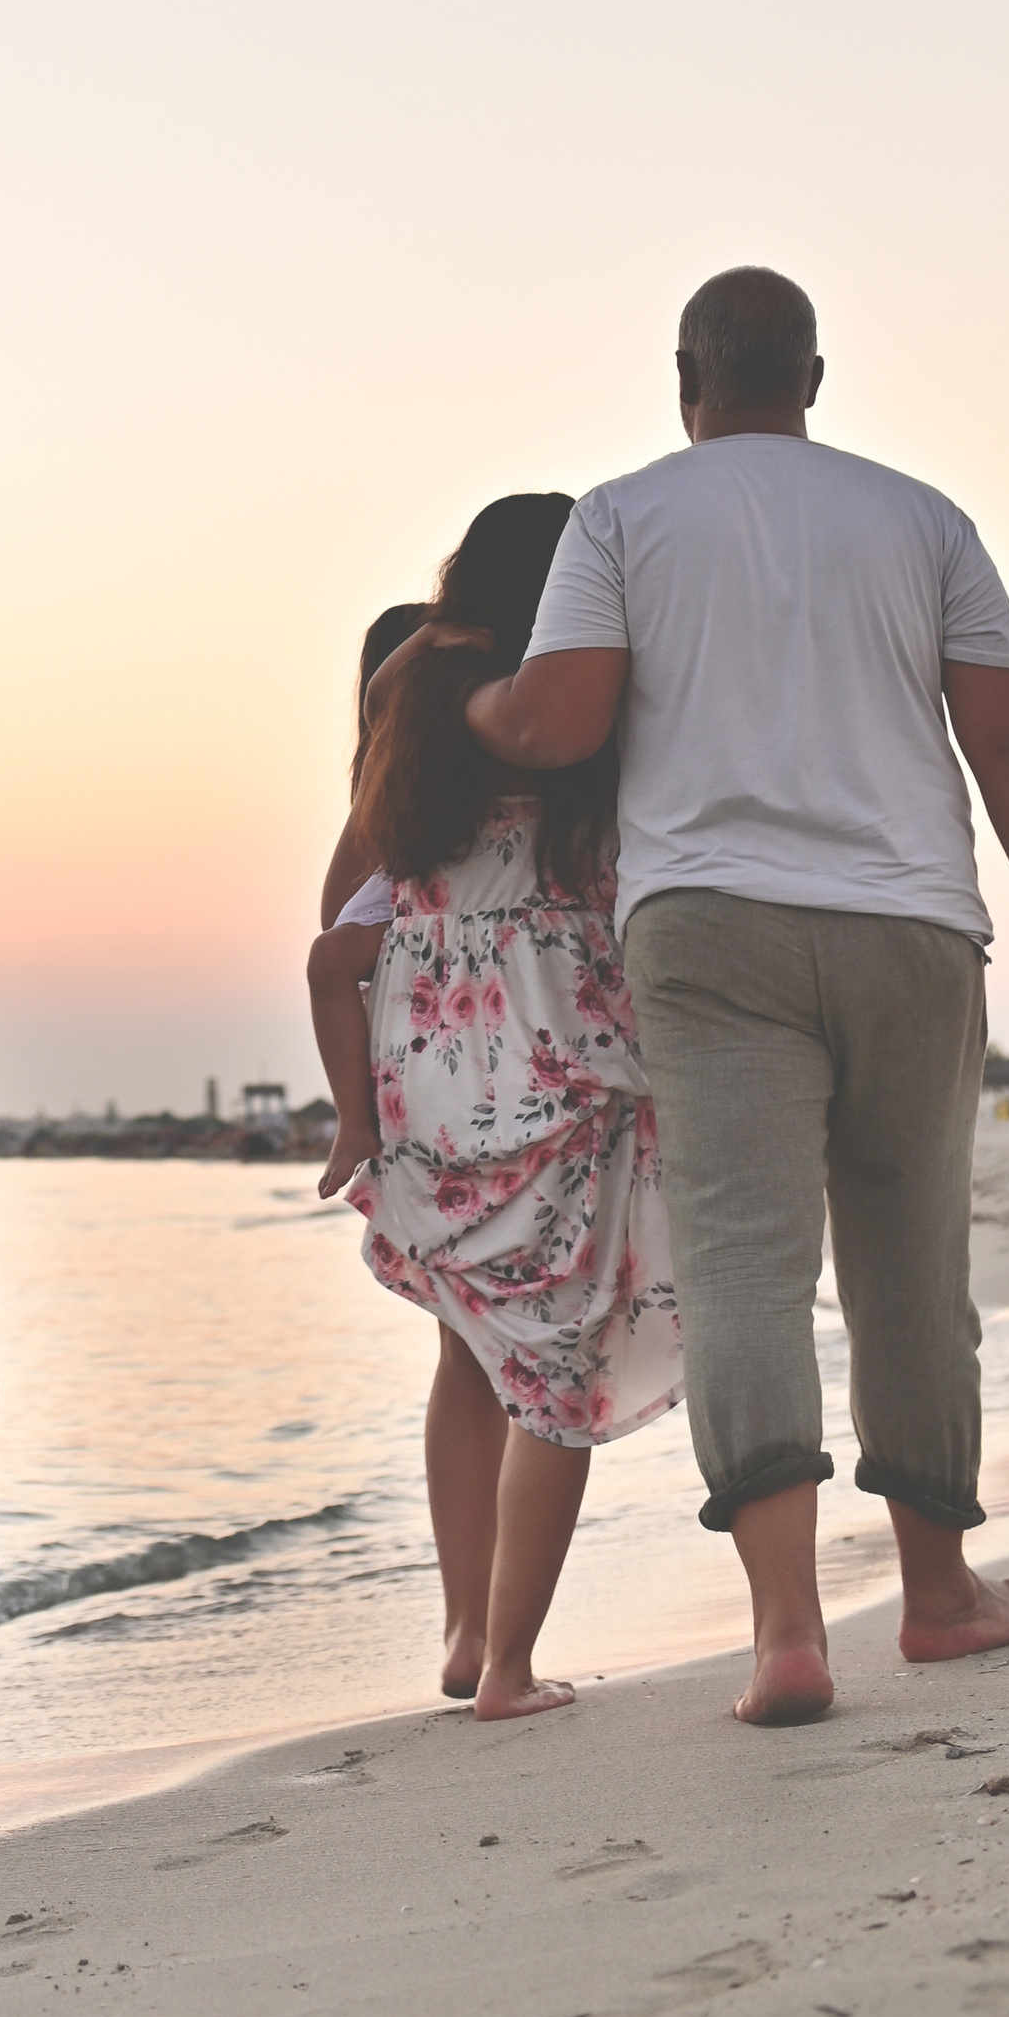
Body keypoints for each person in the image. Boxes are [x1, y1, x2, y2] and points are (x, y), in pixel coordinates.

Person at [463, 267, 1009, 1730]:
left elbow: (557, 719)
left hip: (709, 924)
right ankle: (939, 1595)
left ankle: (788, 1632)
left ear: (686, 374)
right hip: (910, 921)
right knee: (909, 1263)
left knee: (748, 1266)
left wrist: (464, 703)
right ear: (813, 379)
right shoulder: (923, 516)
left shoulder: (623, 516)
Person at [323, 501, 680, 1721]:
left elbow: (335, 931)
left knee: (470, 1352)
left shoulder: (416, 739)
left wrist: (352, 1116)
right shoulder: (577, 731)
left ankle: (467, 1626)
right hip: (555, 1061)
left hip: (420, 1074)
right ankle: (511, 1668)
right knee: (563, 1361)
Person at [306, 603, 430, 1195]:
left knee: (329, 956)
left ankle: (354, 1121)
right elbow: (336, 913)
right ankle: (353, 1121)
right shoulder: (389, 765)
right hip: (406, 900)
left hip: (432, 903)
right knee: (327, 957)